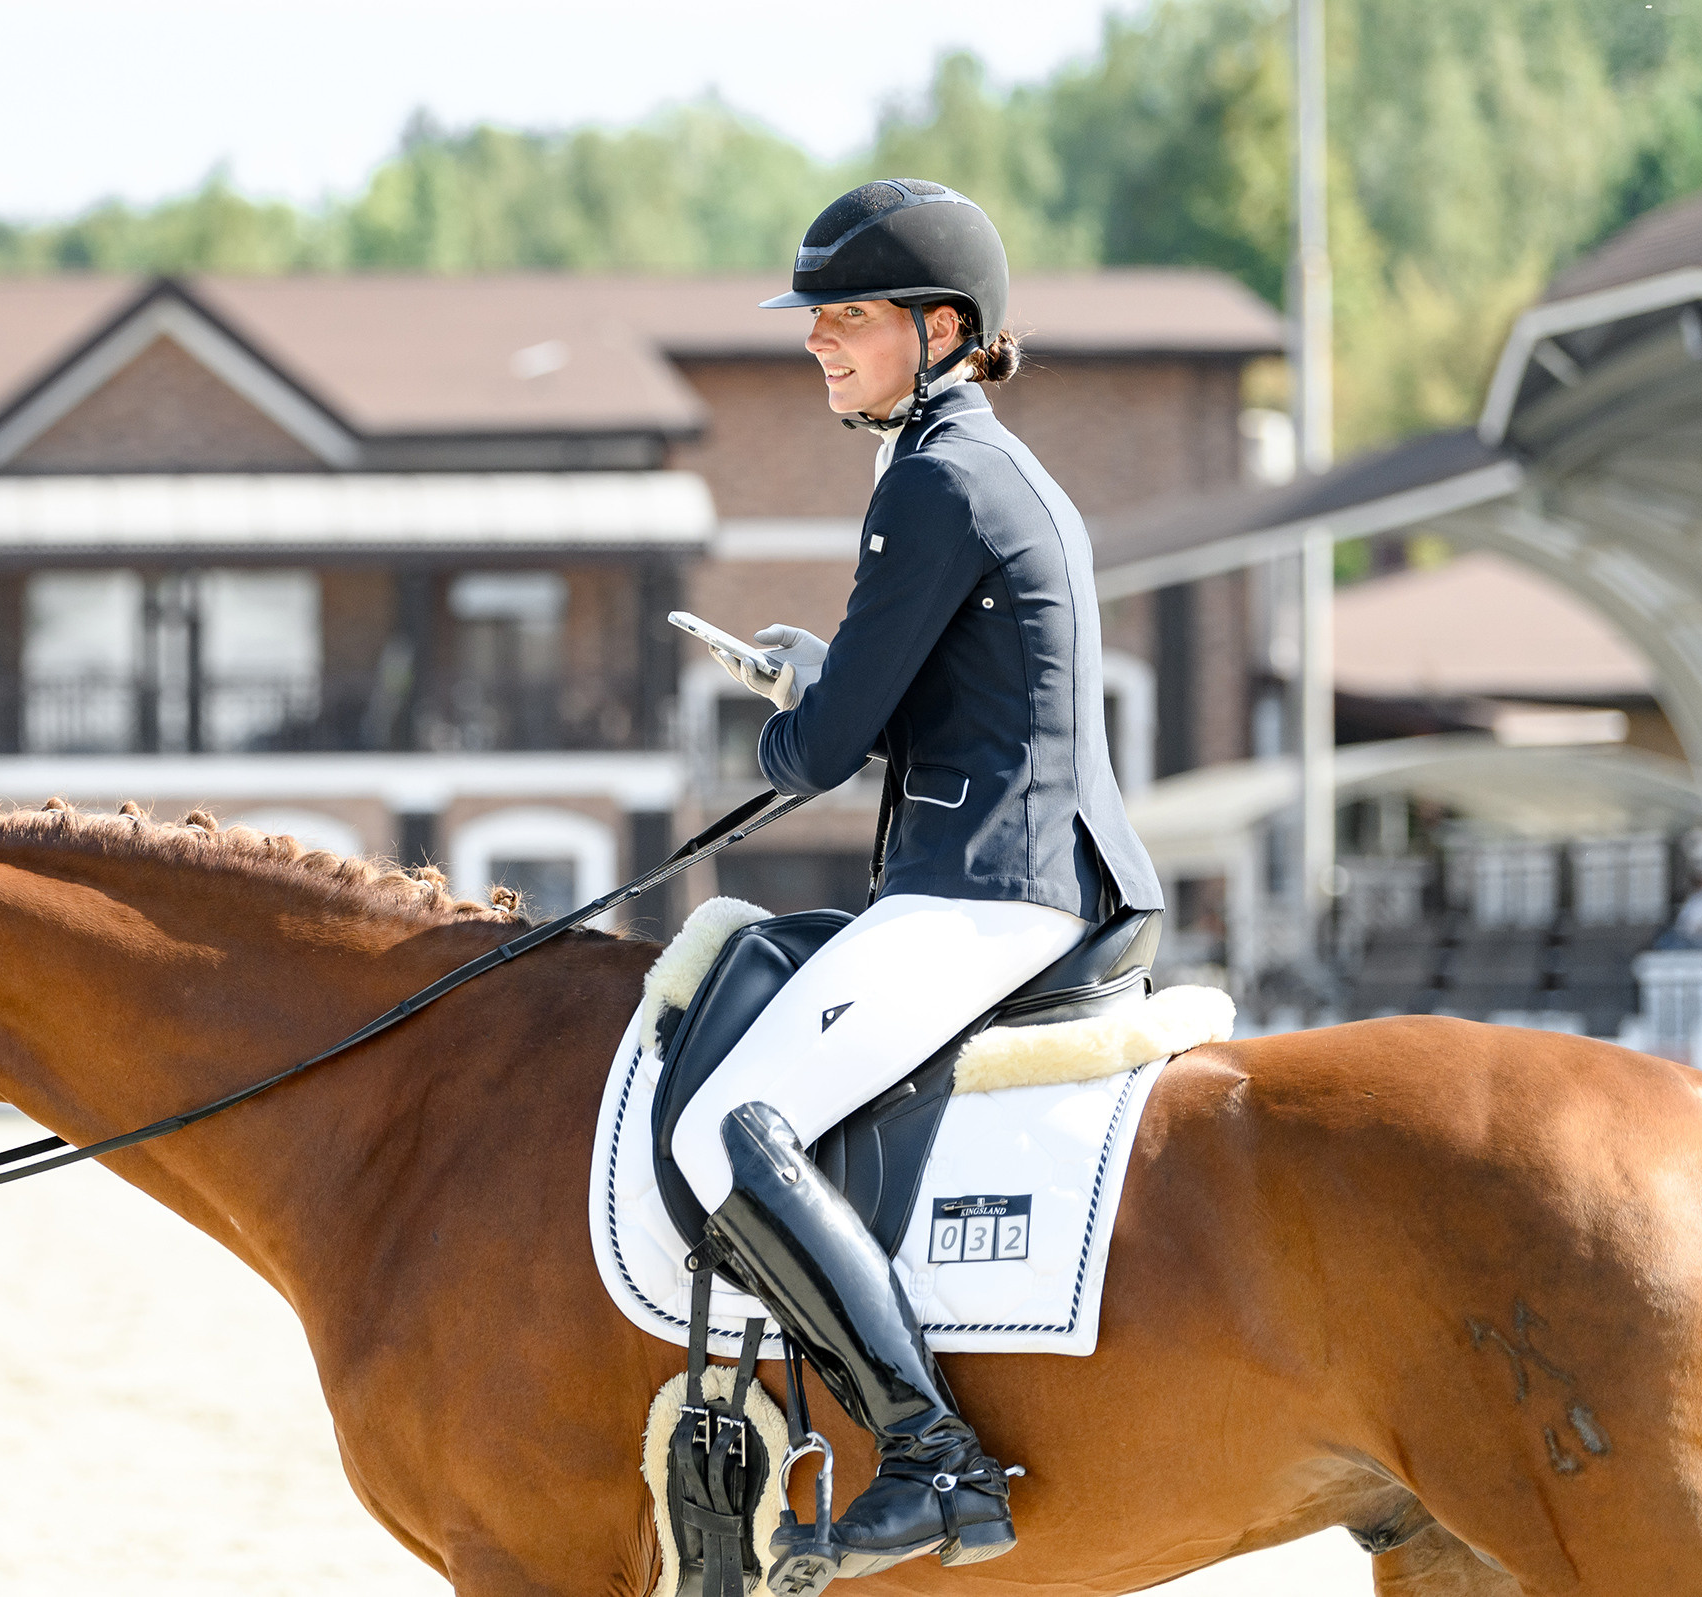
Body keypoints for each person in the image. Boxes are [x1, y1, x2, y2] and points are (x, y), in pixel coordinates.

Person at [676, 179, 1163, 1581]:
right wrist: (819, 671)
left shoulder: (936, 480)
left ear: (941, 328)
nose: (818, 342)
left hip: (991, 888)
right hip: (1025, 862)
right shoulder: (984, 465)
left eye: (848, 318)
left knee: (727, 1124)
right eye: (814, 320)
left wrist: (778, 714)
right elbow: (926, 696)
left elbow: (827, 751)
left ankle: (932, 1450)